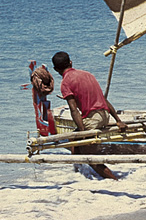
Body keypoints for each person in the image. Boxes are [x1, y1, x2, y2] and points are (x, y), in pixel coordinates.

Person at [51, 51, 128, 180]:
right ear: (71, 62)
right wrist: (118, 120)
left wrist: (83, 132)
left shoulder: (65, 82)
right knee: (73, 140)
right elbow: (104, 99)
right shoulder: (88, 75)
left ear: (55, 69)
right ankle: (79, 174)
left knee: (90, 156)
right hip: (105, 115)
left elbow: (74, 110)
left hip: (93, 119)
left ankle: (114, 181)